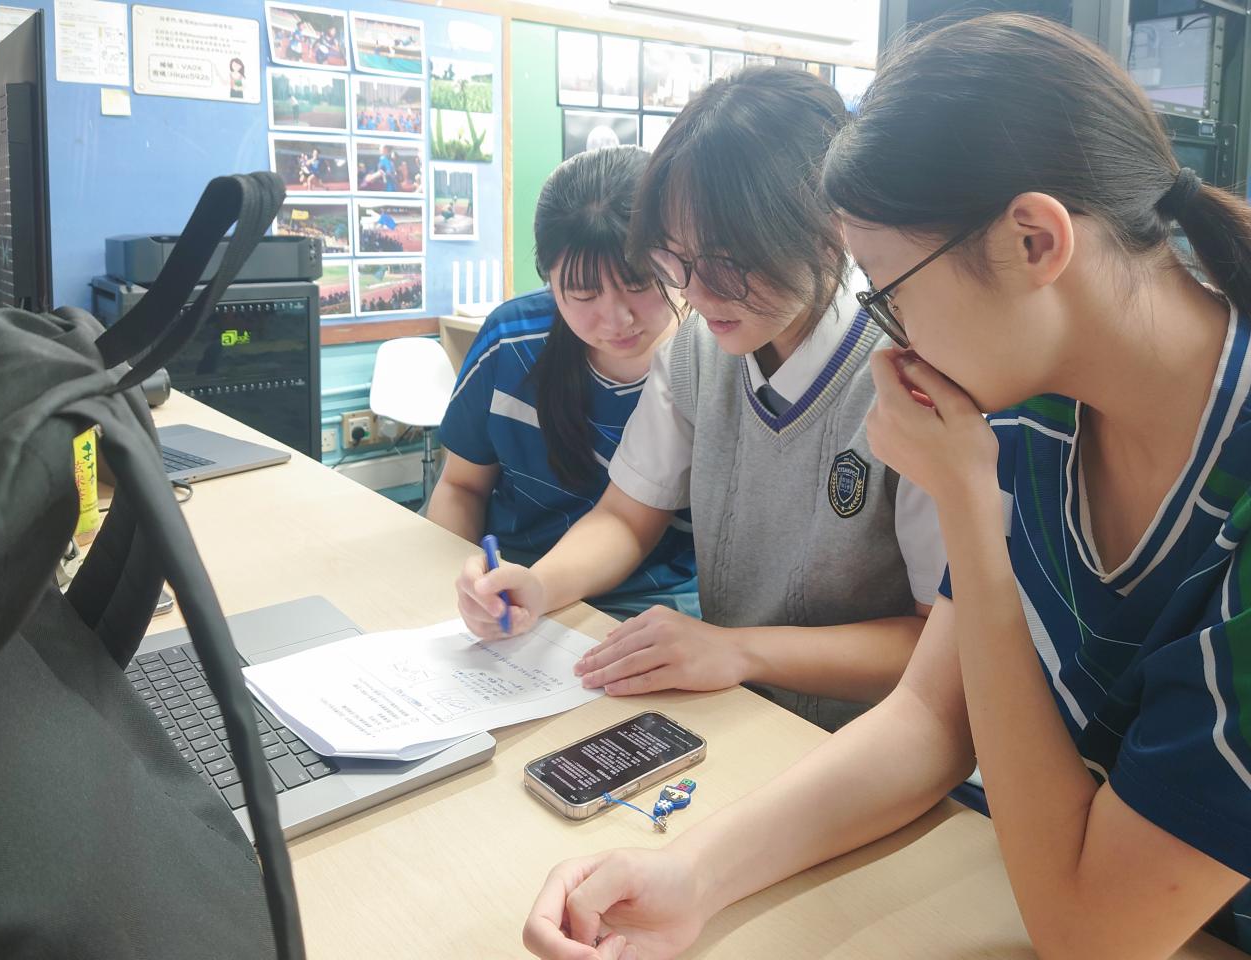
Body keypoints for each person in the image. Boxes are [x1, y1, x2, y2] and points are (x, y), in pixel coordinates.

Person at [521, 14, 1251, 959]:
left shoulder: (1020, 414)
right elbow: (931, 717)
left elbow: (1092, 934)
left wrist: (968, 515)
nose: (887, 338)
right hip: (1024, 871)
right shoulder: (1037, 401)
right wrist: (692, 876)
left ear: (1035, 242)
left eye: (889, 290)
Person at [457, 67, 944, 730]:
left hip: (861, 737)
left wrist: (738, 650)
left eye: (726, 264)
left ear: (831, 229)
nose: (696, 294)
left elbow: (939, 644)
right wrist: (539, 585)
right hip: (727, 707)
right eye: (671, 262)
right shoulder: (698, 350)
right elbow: (627, 516)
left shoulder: (909, 375)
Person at [427, 146, 699, 620]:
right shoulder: (511, 342)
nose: (617, 319)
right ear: (548, 281)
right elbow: (461, 486)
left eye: (639, 283)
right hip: (512, 580)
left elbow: (626, 523)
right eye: (583, 293)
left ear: (679, 257)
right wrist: (464, 590)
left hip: (651, 606)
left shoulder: (707, 360)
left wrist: (534, 590)